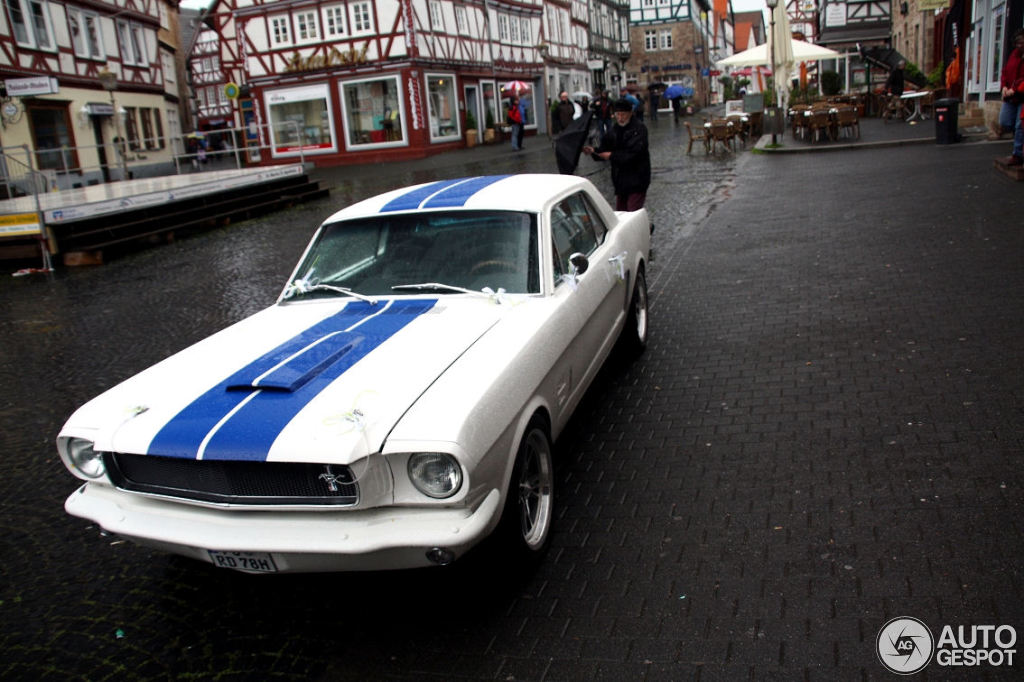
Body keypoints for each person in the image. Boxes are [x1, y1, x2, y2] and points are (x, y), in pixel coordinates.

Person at [582, 98, 651, 211]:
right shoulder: (614, 130)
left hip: (637, 179)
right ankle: (645, 226)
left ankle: (643, 227)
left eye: (623, 115)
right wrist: (594, 151)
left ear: (630, 113)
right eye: (617, 114)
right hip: (621, 180)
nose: (620, 118)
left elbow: (634, 154)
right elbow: (605, 148)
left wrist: (611, 156)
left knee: (632, 213)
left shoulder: (639, 129)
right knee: (621, 213)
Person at [998, 28, 1024, 166]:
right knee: (1005, 121)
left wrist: (1015, 89)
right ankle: (1019, 143)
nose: (1019, 45)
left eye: (1022, 42)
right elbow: (1005, 72)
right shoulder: (1013, 55)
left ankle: (1017, 154)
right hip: (1010, 96)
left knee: (1020, 125)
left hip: (1022, 95)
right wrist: (1004, 86)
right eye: (1017, 43)